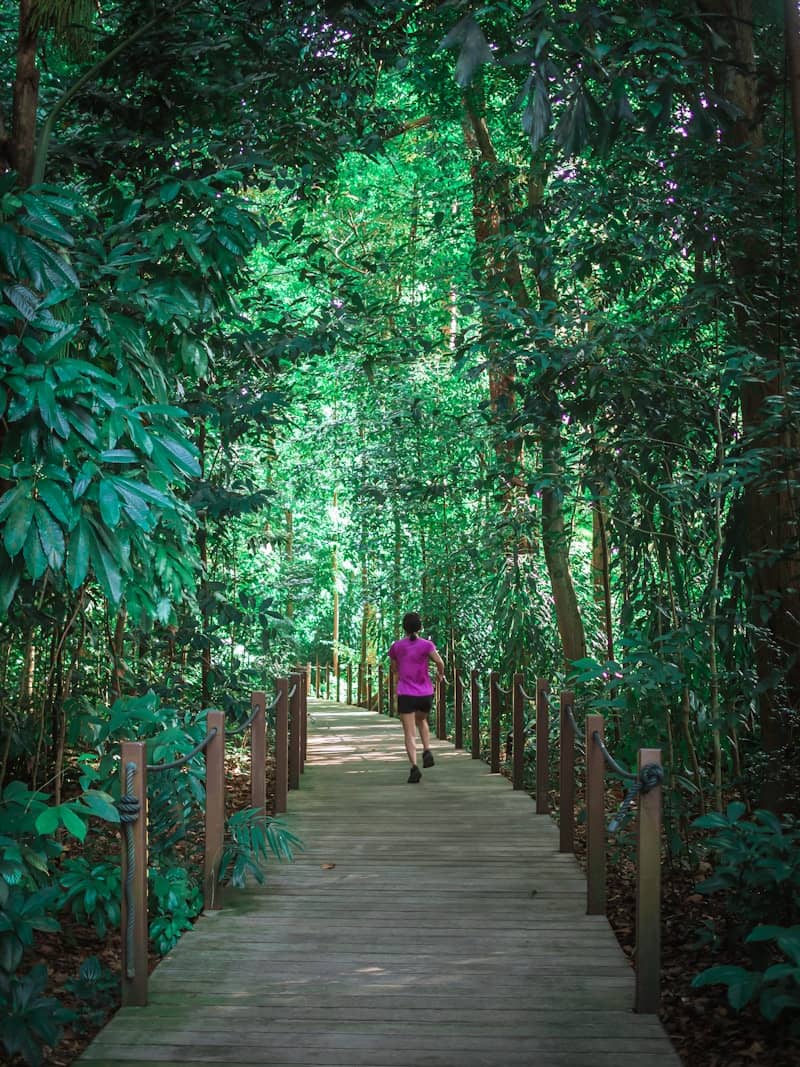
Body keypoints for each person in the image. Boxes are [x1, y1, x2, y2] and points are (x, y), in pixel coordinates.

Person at [387, 612, 445, 783]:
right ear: (420, 627)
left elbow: (394, 668)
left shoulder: (396, 646)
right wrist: (440, 675)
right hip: (425, 693)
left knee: (409, 733)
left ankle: (414, 768)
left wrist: (401, 671)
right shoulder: (427, 645)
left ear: (404, 627)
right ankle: (427, 750)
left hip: (406, 693)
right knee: (422, 721)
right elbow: (440, 662)